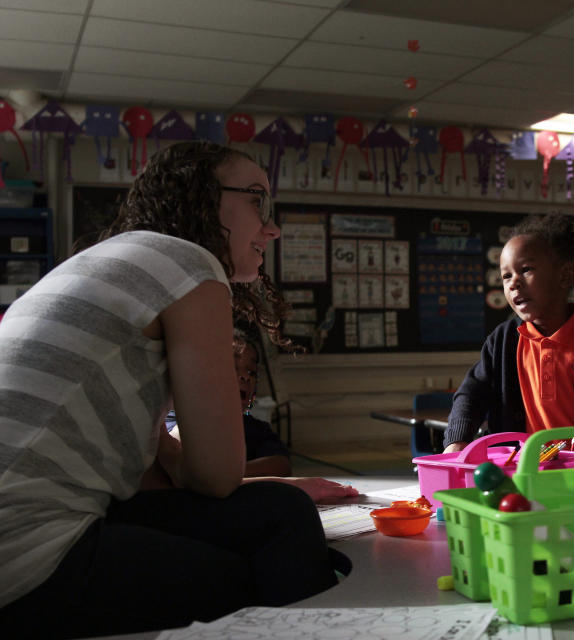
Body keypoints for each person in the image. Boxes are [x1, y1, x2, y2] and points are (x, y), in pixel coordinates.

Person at [0, 142, 343, 638]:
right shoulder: (189, 265)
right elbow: (215, 477)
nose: (273, 227)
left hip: (21, 533)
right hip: (26, 554)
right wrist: (257, 489)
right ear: (203, 199)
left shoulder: (103, 263)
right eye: (257, 200)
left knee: (271, 508)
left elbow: (147, 481)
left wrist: (250, 485)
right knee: (281, 523)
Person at [442, 213, 574, 468]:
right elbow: (471, 394)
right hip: (521, 476)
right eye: (505, 276)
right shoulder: (502, 341)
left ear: (565, 275)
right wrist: (457, 441)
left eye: (525, 270)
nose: (513, 283)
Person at [166, 331, 358, 502]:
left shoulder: (254, 428)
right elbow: (188, 476)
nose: (245, 377)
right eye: (233, 367)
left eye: (251, 372)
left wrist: (226, 473)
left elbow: (280, 464)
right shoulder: (177, 423)